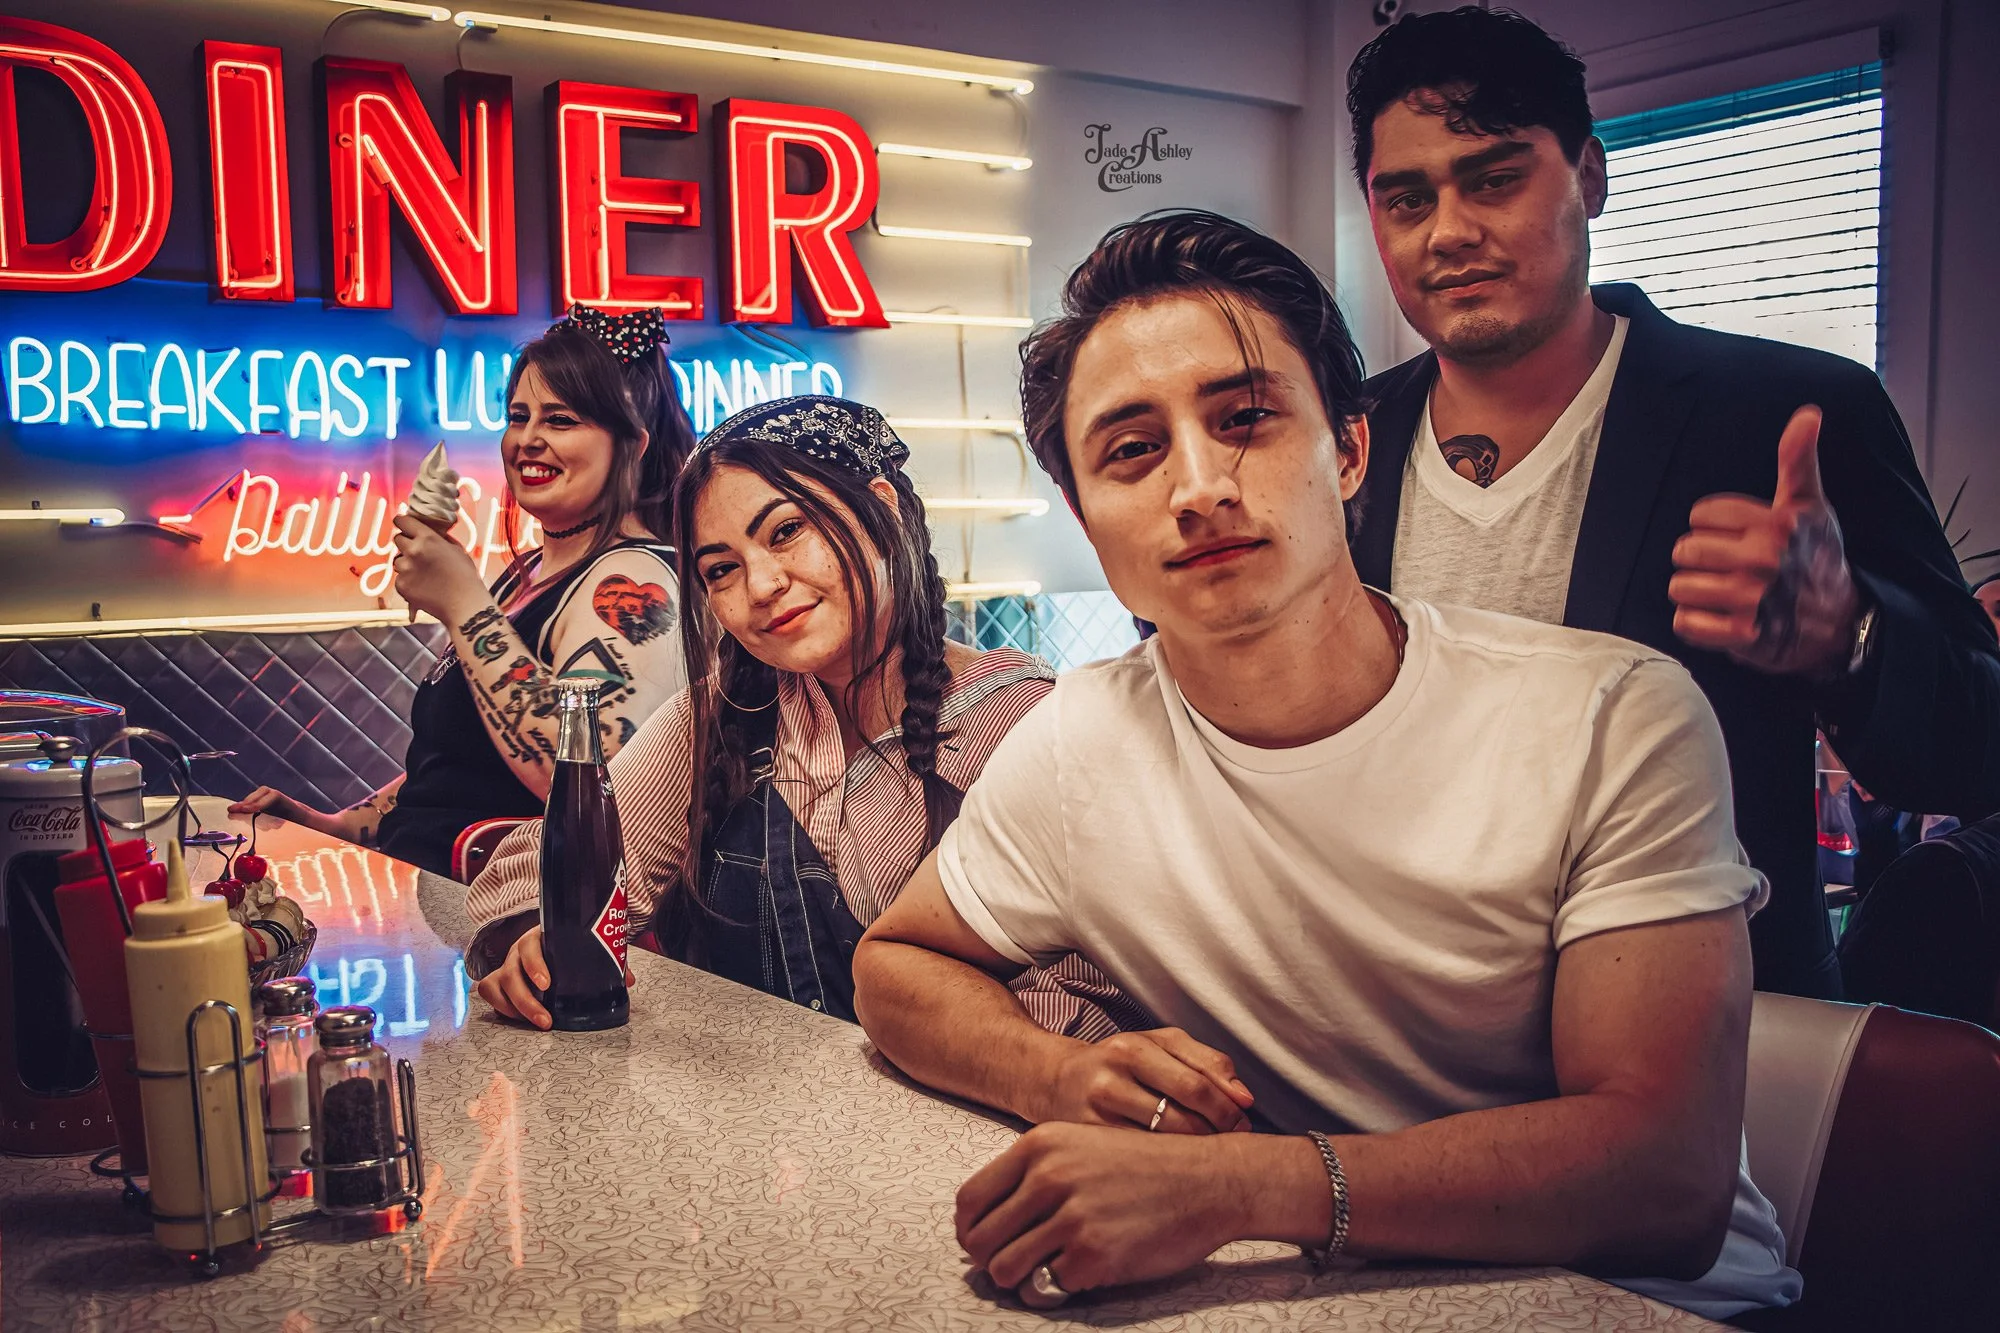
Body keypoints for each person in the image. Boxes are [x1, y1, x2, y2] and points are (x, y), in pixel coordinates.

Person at [851, 213, 1799, 1321]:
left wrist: (1235, 1185)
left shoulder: (1609, 715)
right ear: (1083, 518)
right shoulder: (1080, 739)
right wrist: (1058, 1077)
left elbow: (1663, 1175)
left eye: (1244, 418)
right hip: (1329, 1292)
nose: (1197, 486)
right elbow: (896, 966)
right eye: (1132, 449)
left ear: (1348, 449)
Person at [1342, 6, 2000, 1001]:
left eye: (1494, 178)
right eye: (1406, 199)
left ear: (1589, 178)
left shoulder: (1781, 416)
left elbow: (1974, 753)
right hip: (1400, 1032)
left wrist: (1844, 636)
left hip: (1713, 1032)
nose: (1450, 232)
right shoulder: (1339, 443)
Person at [465, 396, 1146, 1038]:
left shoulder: (1024, 723)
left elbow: (1091, 1011)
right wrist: (529, 940)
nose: (760, 585)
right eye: (722, 569)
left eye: (787, 531)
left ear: (883, 510)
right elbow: (538, 873)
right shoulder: (723, 713)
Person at [230, 306, 696, 876]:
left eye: (561, 420)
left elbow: (586, 781)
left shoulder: (639, 582)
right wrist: (332, 826)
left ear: (633, 442)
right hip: (422, 890)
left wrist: (464, 606)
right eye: (518, 416)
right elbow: (457, 764)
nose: (527, 440)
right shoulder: (524, 576)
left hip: (499, 924)